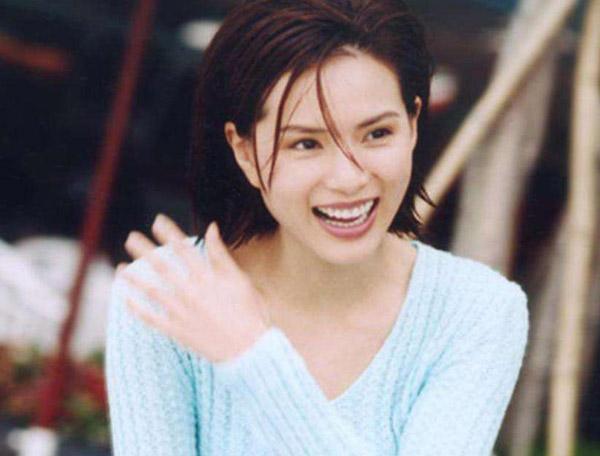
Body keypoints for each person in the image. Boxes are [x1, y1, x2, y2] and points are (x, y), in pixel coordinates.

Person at [104, 0, 530, 454]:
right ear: (244, 152)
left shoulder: (476, 311)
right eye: (306, 143)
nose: (349, 178)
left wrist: (252, 359)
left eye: (377, 134)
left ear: (412, 125)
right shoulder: (166, 298)